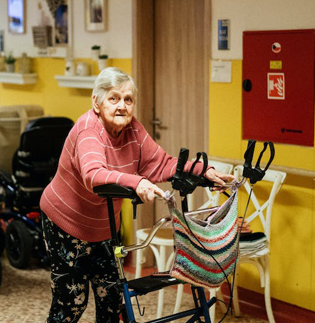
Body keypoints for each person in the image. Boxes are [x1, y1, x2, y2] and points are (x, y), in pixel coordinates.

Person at [40, 67, 234, 322]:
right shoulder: (88, 130)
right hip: (66, 224)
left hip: (105, 227)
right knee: (72, 305)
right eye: (114, 98)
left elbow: (161, 162)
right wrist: (137, 182)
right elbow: (93, 175)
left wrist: (203, 171)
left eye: (128, 99)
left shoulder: (133, 130)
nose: (122, 106)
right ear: (96, 103)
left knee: (112, 301)